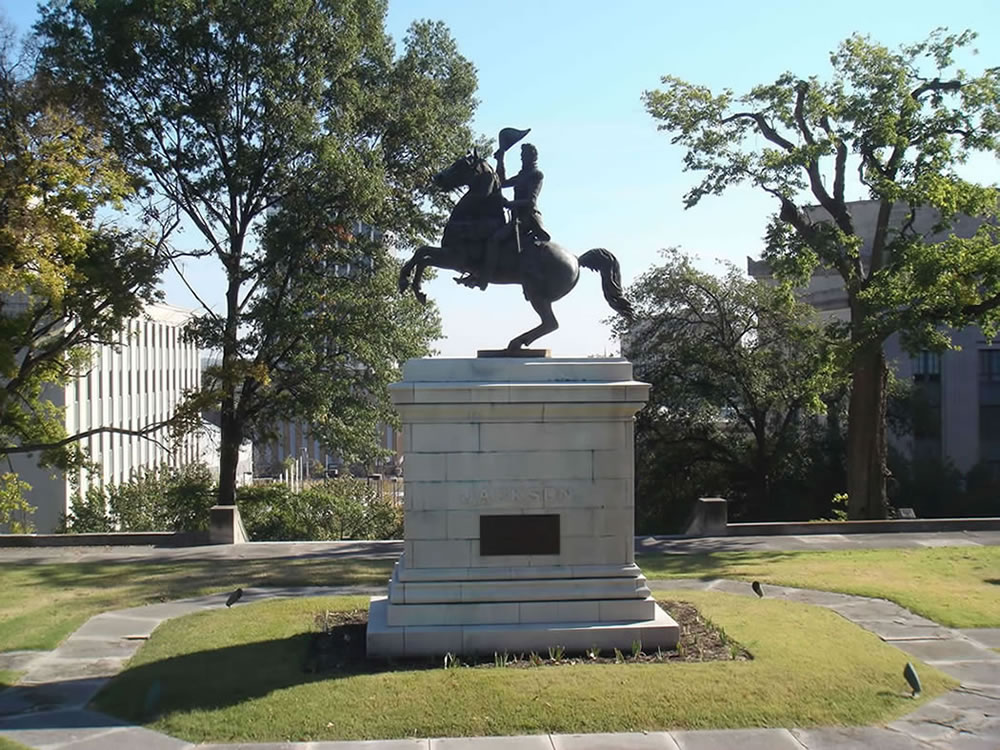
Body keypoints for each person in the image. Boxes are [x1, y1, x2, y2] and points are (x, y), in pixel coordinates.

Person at [478, 142, 551, 290]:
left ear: (533, 157)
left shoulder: (536, 175)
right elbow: (502, 182)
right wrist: (500, 159)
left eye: (525, 156)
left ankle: (484, 278)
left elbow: (531, 201)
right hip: (516, 217)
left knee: (495, 239)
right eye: (521, 156)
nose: (522, 159)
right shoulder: (522, 174)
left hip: (527, 219)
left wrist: (509, 204)